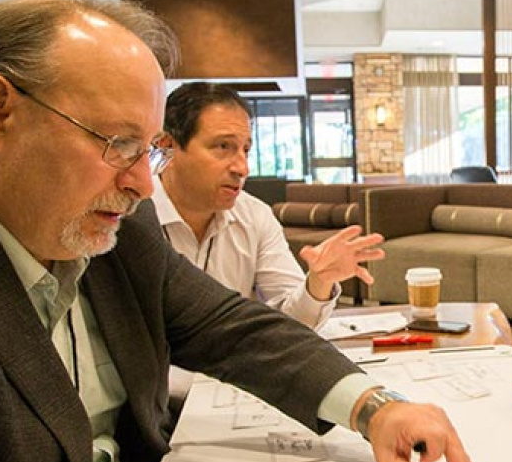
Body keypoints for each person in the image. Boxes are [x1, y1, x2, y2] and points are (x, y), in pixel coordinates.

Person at [0, 0, 481, 462]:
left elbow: (232, 327)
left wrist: (374, 408)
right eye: (117, 142)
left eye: (150, 148)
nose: (139, 184)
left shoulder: (117, 231)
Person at [153, 82, 384, 331]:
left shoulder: (255, 216)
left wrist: (318, 282)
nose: (242, 168)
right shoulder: (127, 218)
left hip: (229, 368)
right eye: (223, 147)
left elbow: (292, 326)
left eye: (246, 150)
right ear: (167, 146)